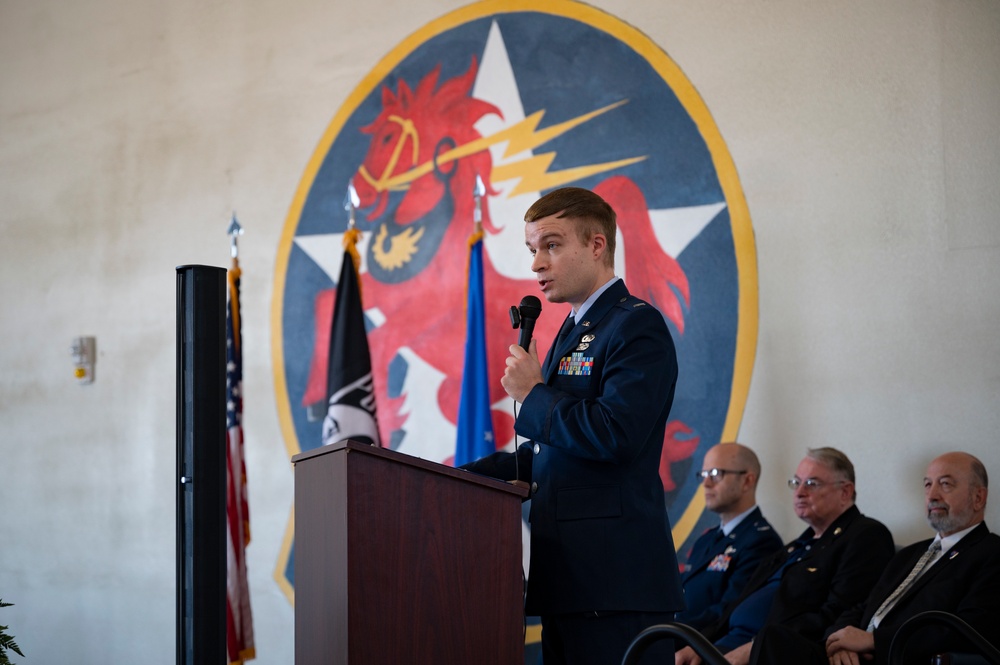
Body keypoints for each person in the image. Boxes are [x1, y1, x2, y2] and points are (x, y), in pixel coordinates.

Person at [461, 187, 683, 665]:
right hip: (568, 582)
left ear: (597, 245)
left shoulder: (635, 327)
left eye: (552, 245)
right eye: (532, 250)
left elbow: (614, 434)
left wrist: (534, 395)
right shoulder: (572, 328)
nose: (537, 263)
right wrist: (462, 477)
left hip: (615, 583)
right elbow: (555, 452)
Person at [753, 451, 1000, 665]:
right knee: (772, 639)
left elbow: (971, 629)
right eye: (927, 484)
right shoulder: (911, 554)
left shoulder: (991, 553)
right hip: (853, 657)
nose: (932, 495)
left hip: (898, 657)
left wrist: (874, 641)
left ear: (978, 497)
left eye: (945, 484)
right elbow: (863, 606)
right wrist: (839, 640)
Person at [675, 447, 895, 665]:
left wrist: (755, 647)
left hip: (768, 653)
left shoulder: (865, 535)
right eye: (796, 483)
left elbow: (837, 613)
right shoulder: (795, 547)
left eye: (811, 483)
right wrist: (700, 643)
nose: (799, 492)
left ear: (845, 492)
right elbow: (735, 604)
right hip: (725, 646)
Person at [676, 443, 783, 631]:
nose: (706, 483)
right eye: (704, 475)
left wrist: (673, 631)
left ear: (747, 481)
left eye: (716, 474)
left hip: (701, 646)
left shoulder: (761, 542)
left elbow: (730, 611)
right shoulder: (706, 540)